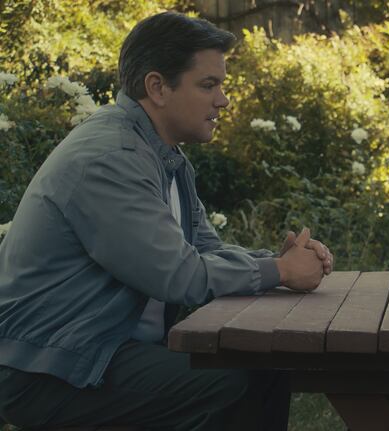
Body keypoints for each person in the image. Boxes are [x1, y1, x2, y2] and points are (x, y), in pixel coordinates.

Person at [0, 12, 334, 430]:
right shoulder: (111, 160)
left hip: (99, 353)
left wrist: (275, 262)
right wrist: (279, 271)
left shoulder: (163, 157)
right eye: (209, 85)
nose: (223, 100)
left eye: (222, 85)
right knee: (241, 379)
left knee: (262, 369)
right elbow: (181, 276)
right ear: (157, 87)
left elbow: (204, 251)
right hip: (50, 370)